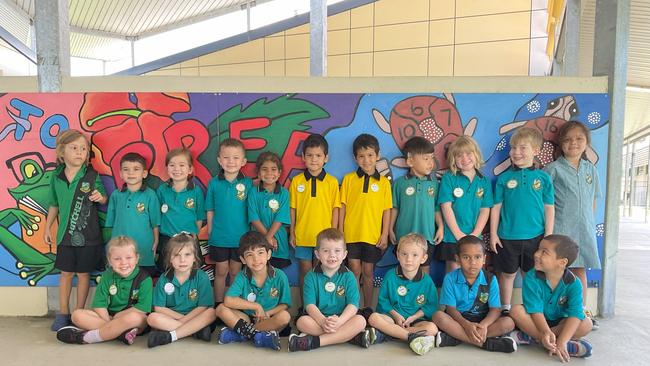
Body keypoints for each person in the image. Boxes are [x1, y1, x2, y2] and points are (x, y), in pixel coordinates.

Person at [46, 129, 107, 331]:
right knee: (65, 273)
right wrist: (48, 228)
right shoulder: (56, 177)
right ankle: (63, 313)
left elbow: (104, 197)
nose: (80, 152)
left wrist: (100, 197)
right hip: (65, 235)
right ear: (61, 153)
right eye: (74, 148)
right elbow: (54, 204)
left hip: (89, 237)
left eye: (83, 148)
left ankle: (78, 314)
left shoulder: (92, 175)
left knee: (83, 275)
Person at [490, 127, 554, 314]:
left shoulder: (543, 178)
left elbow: (549, 207)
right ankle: (505, 309)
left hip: (536, 237)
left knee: (531, 275)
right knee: (507, 274)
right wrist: (493, 234)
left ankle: (532, 309)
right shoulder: (504, 178)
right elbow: (496, 207)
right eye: (513, 148)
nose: (516, 152)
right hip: (507, 237)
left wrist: (548, 235)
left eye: (522, 148)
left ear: (536, 150)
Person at [544, 121, 601, 327]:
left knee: (580, 272)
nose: (573, 143)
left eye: (579, 139)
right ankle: (555, 315)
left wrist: (586, 222)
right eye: (567, 140)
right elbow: (545, 201)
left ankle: (581, 313)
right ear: (560, 144)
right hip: (561, 231)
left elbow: (593, 199)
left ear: (586, 142)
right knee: (557, 272)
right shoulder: (553, 169)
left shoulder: (590, 170)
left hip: (584, 231)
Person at [509, 235, 594, 362]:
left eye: (544, 252)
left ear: (562, 262)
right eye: (538, 249)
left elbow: (575, 314)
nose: (537, 254)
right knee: (516, 311)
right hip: (536, 321)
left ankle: (535, 339)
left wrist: (562, 341)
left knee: (587, 324)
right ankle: (546, 341)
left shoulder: (574, 284)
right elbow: (535, 310)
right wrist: (544, 332)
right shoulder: (531, 277)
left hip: (560, 323)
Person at [56, 236, 152, 345]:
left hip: (131, 319)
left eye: (129, 257)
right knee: (76, 315)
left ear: (137, 258)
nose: (123, 262)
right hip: (107, 317)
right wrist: (108, 321)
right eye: (117, 259)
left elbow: (142, 308)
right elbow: (99, 304)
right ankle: (120, 333)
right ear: (110, 261)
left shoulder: (144, 278)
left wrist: (117, 318)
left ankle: (88, 337)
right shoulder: (107, 276)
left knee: (137, 318)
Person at [432, 235, 516, 353]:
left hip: (483, 319)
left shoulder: (491, 279)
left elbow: (495, 310)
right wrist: (466, 325)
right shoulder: (450, 278)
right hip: (459, 320)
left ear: (484, 259)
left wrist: (483, 326)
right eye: (466, 257)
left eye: (477, 257)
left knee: (509, 323)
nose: (472, 262)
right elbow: (451, 309)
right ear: (458, 259)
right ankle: (487, 344)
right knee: (438, 316)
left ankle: (457, 338)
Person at [289, 228, 369, 351]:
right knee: (302, 322)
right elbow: (309, 305)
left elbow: (353, 305)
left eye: (337, 251)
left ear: (344, 255)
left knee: (360, 321)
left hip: (342, 319)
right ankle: (348, 337)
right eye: (326, 251)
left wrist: (340, 321)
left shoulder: (349, 276)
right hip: (318, 320)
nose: (332, 255)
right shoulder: (311, 276)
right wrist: (322, 321)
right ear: (317, 254)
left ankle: (315, 342)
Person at [339, 134, 392, 310]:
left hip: (373, 235)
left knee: (368, 272)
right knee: (354, 270)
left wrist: (384, 234)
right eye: (361, 156)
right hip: (351, 234)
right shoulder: (348, 179)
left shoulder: (384, 183)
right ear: (355, 158)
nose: (366, 160)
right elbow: (343, 207)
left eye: (370, 155)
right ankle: (353, 308)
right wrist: (340, 231)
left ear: (377, 155)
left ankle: (368, 308)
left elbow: (387, 211)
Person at [215, 231, 291, 351]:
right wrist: (255, 306)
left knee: (284, 317)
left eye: (260, 253)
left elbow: (285, 304)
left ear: (269, 254)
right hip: (247, 319)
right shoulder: (242, 275)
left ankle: (241, 334)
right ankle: (258, 336)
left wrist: (268, 313)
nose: (256, 259)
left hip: (269, 319)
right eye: (250, 255)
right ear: (243, 259)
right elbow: (229, 300)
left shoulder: (280, 275)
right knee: (220, 309)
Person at [367, 233, 439, 355]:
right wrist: (395, 316)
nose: (409, 259)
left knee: (432, 328)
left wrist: (414, 317)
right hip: (392, 318)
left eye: (415, 255)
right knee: (373, 318)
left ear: (423, 258)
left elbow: (431, 306)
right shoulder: (390, 276)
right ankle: (410, 337)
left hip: (416, 320)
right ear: (398, 255)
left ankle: (390, 334)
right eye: (404, 254)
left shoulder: (427, 281)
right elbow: (383, 301)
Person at [289, 134, 340, 302]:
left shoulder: (332, 182)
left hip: (324, 238)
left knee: (322, 272)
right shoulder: (297, 181)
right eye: (309, 155)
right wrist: (292, 233)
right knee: (305, 271)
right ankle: (306, 307)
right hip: (303, 235)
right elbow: (293, 208)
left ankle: (322, 306)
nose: (313, 159)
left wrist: (334, 234)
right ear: (303, 157)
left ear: (326, 158)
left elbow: (335, 209)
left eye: (318, 156)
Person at [147, 233, 216, 347]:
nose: (182, 260)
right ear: (170, 258)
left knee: (211, 313)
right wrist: (183, 320)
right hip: (173, 318)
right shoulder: (164, 279)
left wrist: (184, 320)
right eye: (177, 255)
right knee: (152, 318)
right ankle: (195, 331)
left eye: (187, 254)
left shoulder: (201, 276)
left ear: (194, 257)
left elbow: (203, 306)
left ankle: (171, 336)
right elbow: (159, 308)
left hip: (195, 316)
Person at [206, 138, 253, 304]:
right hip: (219, 236)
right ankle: (218, 304)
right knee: (221, 270)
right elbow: (210, 209)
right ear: (219, 160)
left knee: (235, 270)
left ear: (243, 161)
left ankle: (231, 304)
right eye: (226, 157)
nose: (231, 162)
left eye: (235, 158)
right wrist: (211, 230)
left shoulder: (248, 184)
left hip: (241, 237)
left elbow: (252, 211)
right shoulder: (214, 183)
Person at [438, 136, 493, 272]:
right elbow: (446, 207)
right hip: (452, 237)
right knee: (453, 272)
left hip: (475, 238)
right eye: (459, 155)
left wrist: (475, 234)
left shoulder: (484, 181)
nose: (464, 158)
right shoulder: (449, 178)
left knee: (473, 273)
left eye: (469, 154)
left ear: (477, 155)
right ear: (453, 159)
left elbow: (485, 210)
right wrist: (458, 234)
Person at [390, 136, 444, 275]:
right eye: (426, 159)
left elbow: (436, 208)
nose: (430, 163)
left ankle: (423, 297)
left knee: (424, 271)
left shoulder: (434, 184)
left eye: (432, 158)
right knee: (404, 270)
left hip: (427, 235)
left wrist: (441, 227)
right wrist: (390, 229)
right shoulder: (399, 183)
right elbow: (394, 208)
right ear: (410, 161)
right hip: (404, 236)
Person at [106, 152, 161, 276]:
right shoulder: (116, 195)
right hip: (120, 249)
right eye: (126, 169)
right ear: (120, 173)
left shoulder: (150, 195)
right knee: (121, 281)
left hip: (144, 247)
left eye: (136, 169)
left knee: (144, 279)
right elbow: (110, 223)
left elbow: (155, 222)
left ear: (144, 173)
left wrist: (156, 240)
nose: (131, 173)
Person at [156, 148, 205, 270]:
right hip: (167, 238)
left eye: (182, 165)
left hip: (188, 238)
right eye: (172, 165)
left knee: (191, 271)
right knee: (167, 270)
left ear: (190, 169)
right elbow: (156, 216)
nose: (176, 169)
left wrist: (194, 234)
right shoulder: (162, 190)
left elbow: (199, 216)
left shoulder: (195, 191)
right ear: (167, 169)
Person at [248, 151, 291, 269]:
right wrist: (267, 238)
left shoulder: (284, 193)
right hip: (257, 241)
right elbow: (253, 218)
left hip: (278, 242)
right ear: (258, 173)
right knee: (258, 273)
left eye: (273, 169)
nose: (269, 173)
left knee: (276, 276)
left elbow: (280, 218)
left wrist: (269, 237)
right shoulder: (253, 192)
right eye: (264, 169)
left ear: (279, 173)